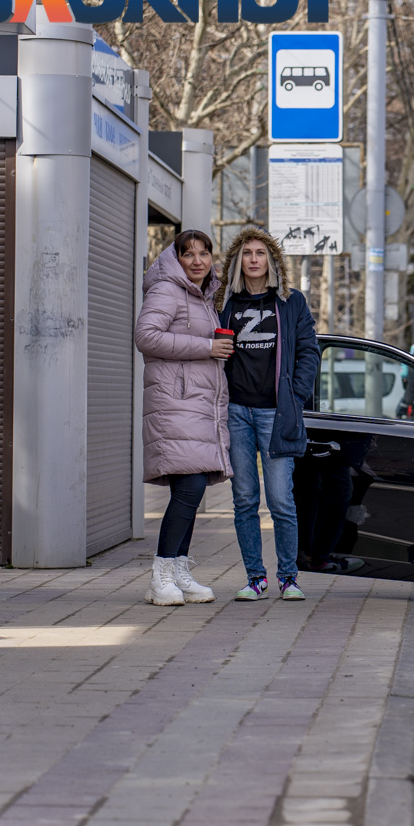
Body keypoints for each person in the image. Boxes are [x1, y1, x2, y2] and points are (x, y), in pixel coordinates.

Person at [216, 227, 320, 601]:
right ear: (238, 261)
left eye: (261, 252)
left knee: (280, 500)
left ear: (272, 260)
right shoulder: (224, 302)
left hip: (276, 415)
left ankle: (288, 578)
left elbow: (310, 351)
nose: (254, 259)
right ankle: (255, 577)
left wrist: (295, 395)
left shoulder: (291, 302)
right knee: (244, 498)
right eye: (247, 253)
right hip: (236, 412)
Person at [134, 230, 233, 606]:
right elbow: (146, 336)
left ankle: (178, 571)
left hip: (194, 405)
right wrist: (207, 347)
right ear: (175, 259)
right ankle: (160, 575)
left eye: (204, 253)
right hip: (174, 403)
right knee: (189, 488)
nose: (197, 261)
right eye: (188, 254)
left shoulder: (204, 296)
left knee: (189, 491)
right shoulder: (166, 289)